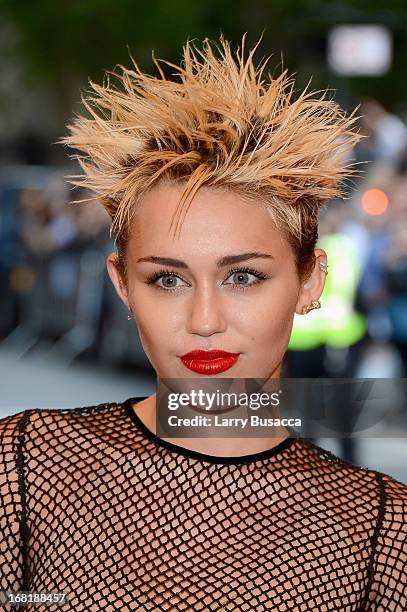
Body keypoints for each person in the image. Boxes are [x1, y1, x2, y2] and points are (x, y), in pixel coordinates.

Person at [1, 36, 406, 611]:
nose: (205, 321)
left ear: (310, 280)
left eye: (242, 277)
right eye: (168, 280)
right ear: (122, 285)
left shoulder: (383, 534)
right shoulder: (25, 467)